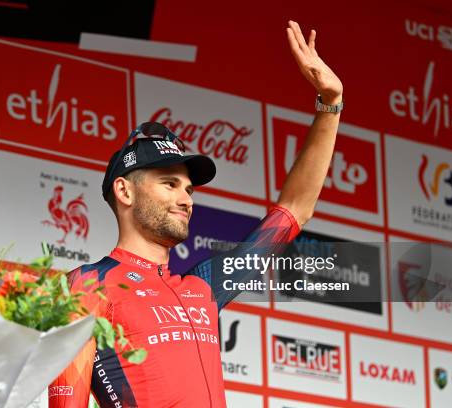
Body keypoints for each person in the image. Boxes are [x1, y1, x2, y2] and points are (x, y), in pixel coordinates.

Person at [52, 20, 344, 407]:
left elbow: (293, 212)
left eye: (189, 189)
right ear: (124, 191)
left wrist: (330, 105)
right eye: (170, 184)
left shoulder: (202, 287)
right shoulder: (87, 285)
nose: (187, 198)